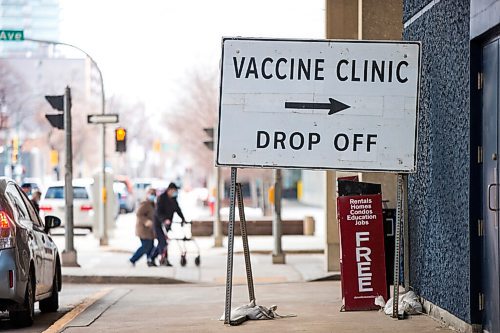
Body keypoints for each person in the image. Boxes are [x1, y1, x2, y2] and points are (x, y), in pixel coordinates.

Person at [150, 182, 185, 266]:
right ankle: (157, 258)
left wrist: (183, 219)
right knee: (163, 243)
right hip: (159, 223)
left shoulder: (173, 199)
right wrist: (164, 220)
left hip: (167, 224)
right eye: (173, 191)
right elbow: (158, 212)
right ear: (169, 190)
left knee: (164, 243)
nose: (174, 193)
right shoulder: (161, 198)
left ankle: (154, 258)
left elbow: (177, 209)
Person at [129, 188, 157, 267]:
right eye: (151, 194)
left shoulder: (153, 204)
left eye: (154, 194)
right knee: (146, 246)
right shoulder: (145, 204)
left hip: (150, 230)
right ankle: (133, 259)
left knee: (150, 246)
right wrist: (146, 221)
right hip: (143, 230)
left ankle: (150, 260)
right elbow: (139, 214)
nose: (153, 196)